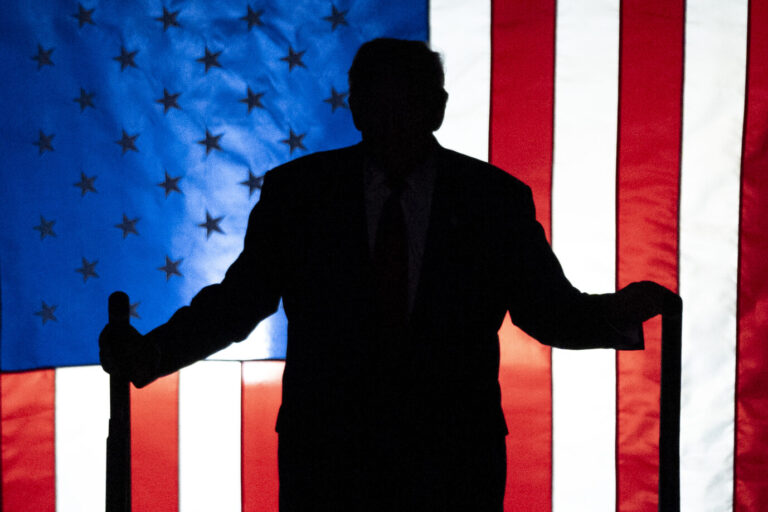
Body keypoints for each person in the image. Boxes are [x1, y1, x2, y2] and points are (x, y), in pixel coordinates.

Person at [100, 38, 681, 512]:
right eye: (380, 99)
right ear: (354, 107)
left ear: (438, 107)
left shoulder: (494, 201)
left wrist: (616, 314)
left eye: (409, 99)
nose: (395, 114)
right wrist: (149, 355)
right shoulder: (298, 195)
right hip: (330, 462)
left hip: (452, 464)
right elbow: (238, 304)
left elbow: (546, 310)